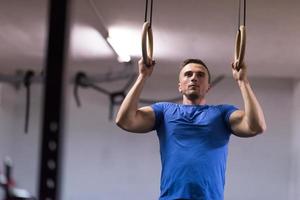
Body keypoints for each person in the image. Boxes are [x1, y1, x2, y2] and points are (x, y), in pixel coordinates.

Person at [115, 58, 266, 200]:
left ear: (208, 87)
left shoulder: (223, 113)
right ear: (180, 85)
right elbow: (125, 121)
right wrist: (142, 76)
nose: (194, 78)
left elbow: (256, 126)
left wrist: (242, 81)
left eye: (200, 75)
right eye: (188, 74)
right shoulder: (164, 111)